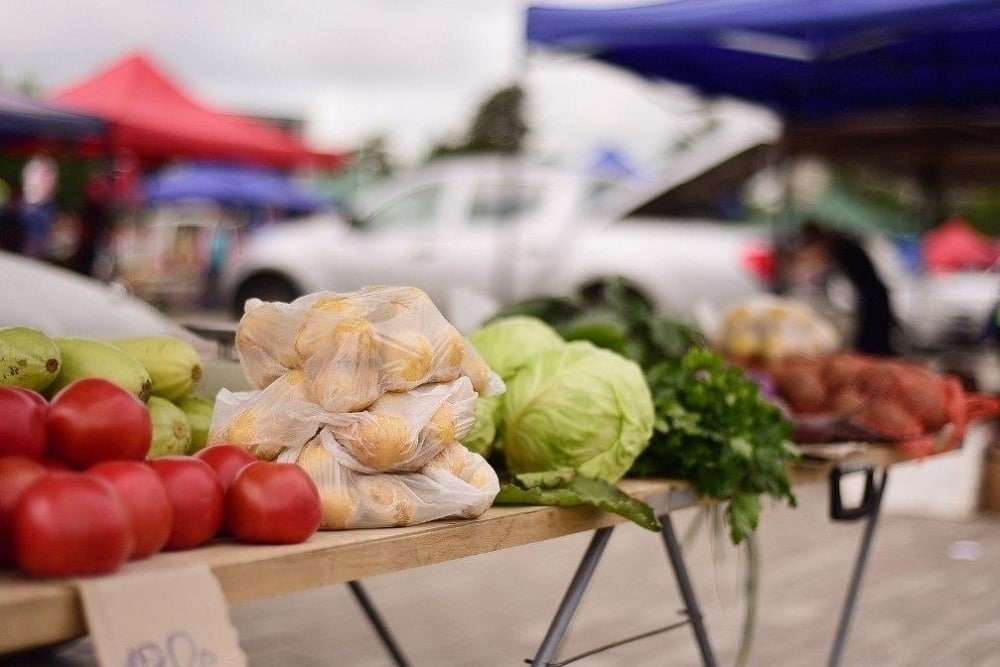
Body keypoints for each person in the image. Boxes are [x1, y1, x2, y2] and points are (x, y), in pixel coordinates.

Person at [782, 220, 900, 356]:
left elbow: (812, 258)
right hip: (872, 297)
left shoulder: (839, 246)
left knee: (873, 342)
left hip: (874, 300)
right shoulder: (841, 245)